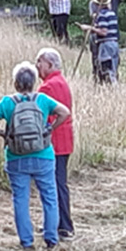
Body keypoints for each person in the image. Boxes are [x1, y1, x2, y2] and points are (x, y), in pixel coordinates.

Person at [0, 62, 71, 250]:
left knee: (21, 199)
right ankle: (51, 239)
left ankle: (27, 242)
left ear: (15, 83)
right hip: (43, 155)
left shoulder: (7, 102)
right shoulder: (43, 100)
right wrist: (50, 129)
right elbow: (65, 112)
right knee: (49, 197)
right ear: (34, 81)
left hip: (16, 156)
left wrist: (3, 134)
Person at [35, 48, 76, 239]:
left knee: (53, 185)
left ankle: (60, 226)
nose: (37, 66)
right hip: (65, 139)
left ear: (49, 65)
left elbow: (42, 116)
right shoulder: (62, 82)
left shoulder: (47, 87)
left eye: (39, 62)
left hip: (54, 142)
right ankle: (63, 225)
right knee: (60, 183)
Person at [78, 0, 120, 84]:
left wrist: (89, 28)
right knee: (113, 69)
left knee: (106, 70)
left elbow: (103, 32)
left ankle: (109, 88)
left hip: (106, 45)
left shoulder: (101, 15)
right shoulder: (112, 13)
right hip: (114, 44)